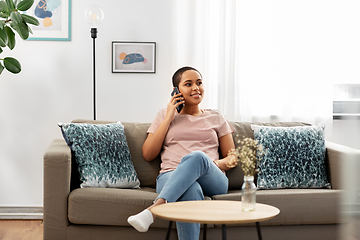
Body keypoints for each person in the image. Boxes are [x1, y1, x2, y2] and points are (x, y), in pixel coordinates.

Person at [127, 66, 237, 240]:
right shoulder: (164, 115)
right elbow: (148, 154)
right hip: (170, 176)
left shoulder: (216, 117)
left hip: (212, 178)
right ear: (176, 91)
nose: (196, 88)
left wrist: (212, 164)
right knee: (190, 189)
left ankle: (154, 210)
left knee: (198, 156)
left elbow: (233, 158)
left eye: (199, 83)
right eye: (188, 84)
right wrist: (169, 118)